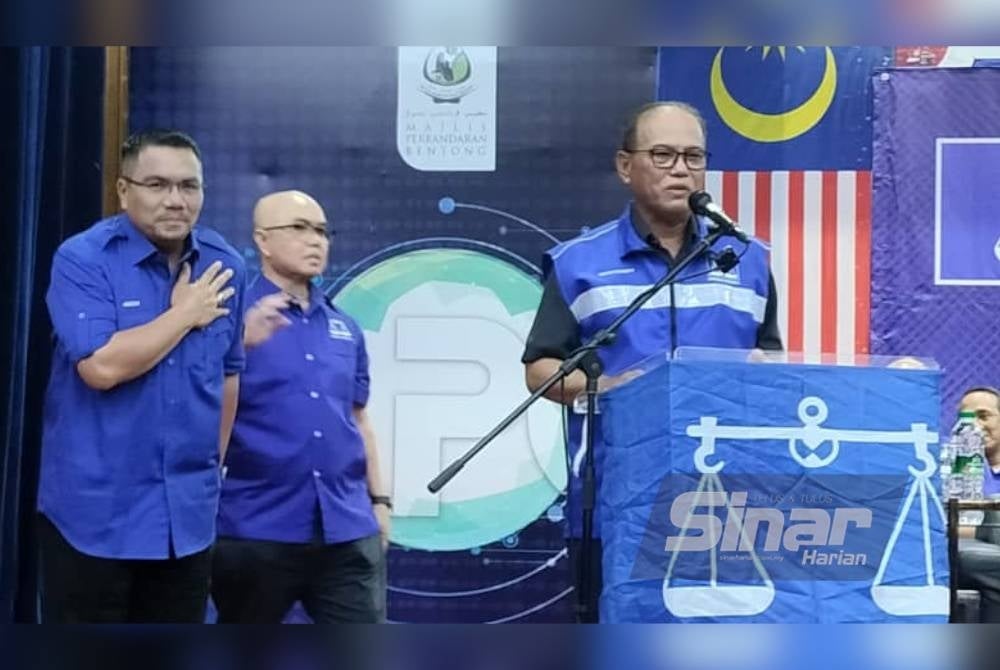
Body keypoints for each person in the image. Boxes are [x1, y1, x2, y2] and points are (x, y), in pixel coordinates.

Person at [521, 101, 782, 621]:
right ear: (625, 166)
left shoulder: (748, 259)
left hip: (729, 501)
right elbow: (540, 369)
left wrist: (763, 372)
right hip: (617, 500)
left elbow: (773, 356)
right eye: (662, 155)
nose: (681, 169)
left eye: (693, 156)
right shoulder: (580, 264)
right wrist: (611, 386)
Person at [37, 129, 245, 623]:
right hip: (94, 518)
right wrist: (185, 313)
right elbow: (102, 367)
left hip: (186, 519)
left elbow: (229, 374)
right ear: (123, 190)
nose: (175, 200)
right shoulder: (84, 259)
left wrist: (212, 466)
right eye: (156, 184)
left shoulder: (225, 265)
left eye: (188, 186)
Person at [211, 190, 390, 623]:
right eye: (299, 228)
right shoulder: (227, 318)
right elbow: (198, 406)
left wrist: (381, 500)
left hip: (345, 528)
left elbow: (358, 417)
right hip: (254, 526)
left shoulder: (344, 326)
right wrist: (237, 344)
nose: (316, 241)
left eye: (322, 231)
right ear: (262, 241)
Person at [954, 386, 1000, 622]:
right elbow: (937, 524)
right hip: (960, 555)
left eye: (984, 416)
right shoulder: (948, 464)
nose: (975, 426)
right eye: (966, 418)